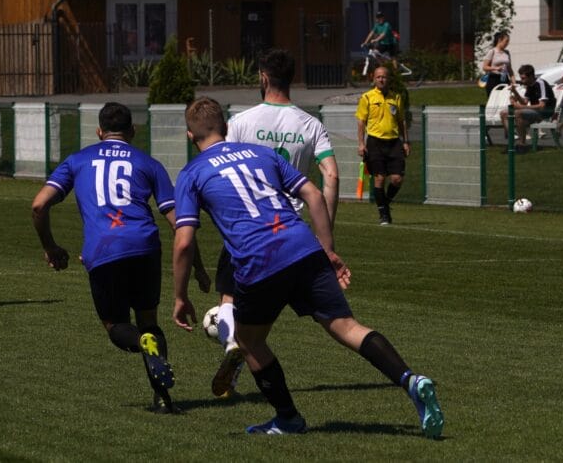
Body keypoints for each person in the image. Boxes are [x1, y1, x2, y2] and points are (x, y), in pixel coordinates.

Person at [172, 97, 444, 437]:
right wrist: (327, 251)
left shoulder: (191, 174)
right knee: (347, 327)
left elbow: (183, 242)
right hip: (302, 246)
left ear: (189, 136)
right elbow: (314, 195)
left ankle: (288, 418)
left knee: (248, 340)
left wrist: (180, 296)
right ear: (226, 129)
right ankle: (411, 379)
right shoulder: (262, 154)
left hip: (258, 261)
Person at [31, 102, 210, 413]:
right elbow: (178, 222)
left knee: (115, 326)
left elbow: (38, 206)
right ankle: (163, 399)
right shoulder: (149, 163)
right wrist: (199, 268)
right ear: (133, 131)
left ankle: (141, 342)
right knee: (149, 321)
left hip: (103, 250)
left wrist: (50, 246)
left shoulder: (78, 160)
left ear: (99, 132)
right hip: (144, 246)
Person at [209, 49, 339, 398]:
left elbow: (219, 169)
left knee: (230, 297)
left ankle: (230, 345)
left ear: (263, 78)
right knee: (326, 316)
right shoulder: (310, 124)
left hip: (247, 227)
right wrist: (326, 232)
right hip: (293, 232)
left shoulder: (241, 122)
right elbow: (331, 174)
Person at [355, 66, 410, 225]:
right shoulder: (367, 97)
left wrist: (405, 141)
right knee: (379, 178)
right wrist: (361, 143)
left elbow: (402, 121)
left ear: (389, 79)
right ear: (374, 79)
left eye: (384, 77)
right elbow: (361, 121)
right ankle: (384, 215)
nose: (381, 79)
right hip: (375, 142)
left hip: (394, 142)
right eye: (378, 77)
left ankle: (384, 202)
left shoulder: (396, 97)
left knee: (397, 179)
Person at [500, 64, 556, 148]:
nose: (522, 81)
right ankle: (512, 142)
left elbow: (542, 106)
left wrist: (519, 107)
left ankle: (522, 144)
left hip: (545, 112)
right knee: (503, 113)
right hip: (534, 112)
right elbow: (524, 102)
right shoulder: (529, 85)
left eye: (523, 78)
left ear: (531, 76)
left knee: (518, 113)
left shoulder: (540, 83)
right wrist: (515, 92)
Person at [481, 31, 515, 98]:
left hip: (504, 78)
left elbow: (510, 69)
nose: (507, 43)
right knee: (494, 99)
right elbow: (484, 67)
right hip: (493, 79)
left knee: (505, 99)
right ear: (500, 40)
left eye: (508, 41)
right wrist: (496, 68)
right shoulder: (492, 51)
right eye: (506, 41)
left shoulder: (507, 53)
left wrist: (514, 82)